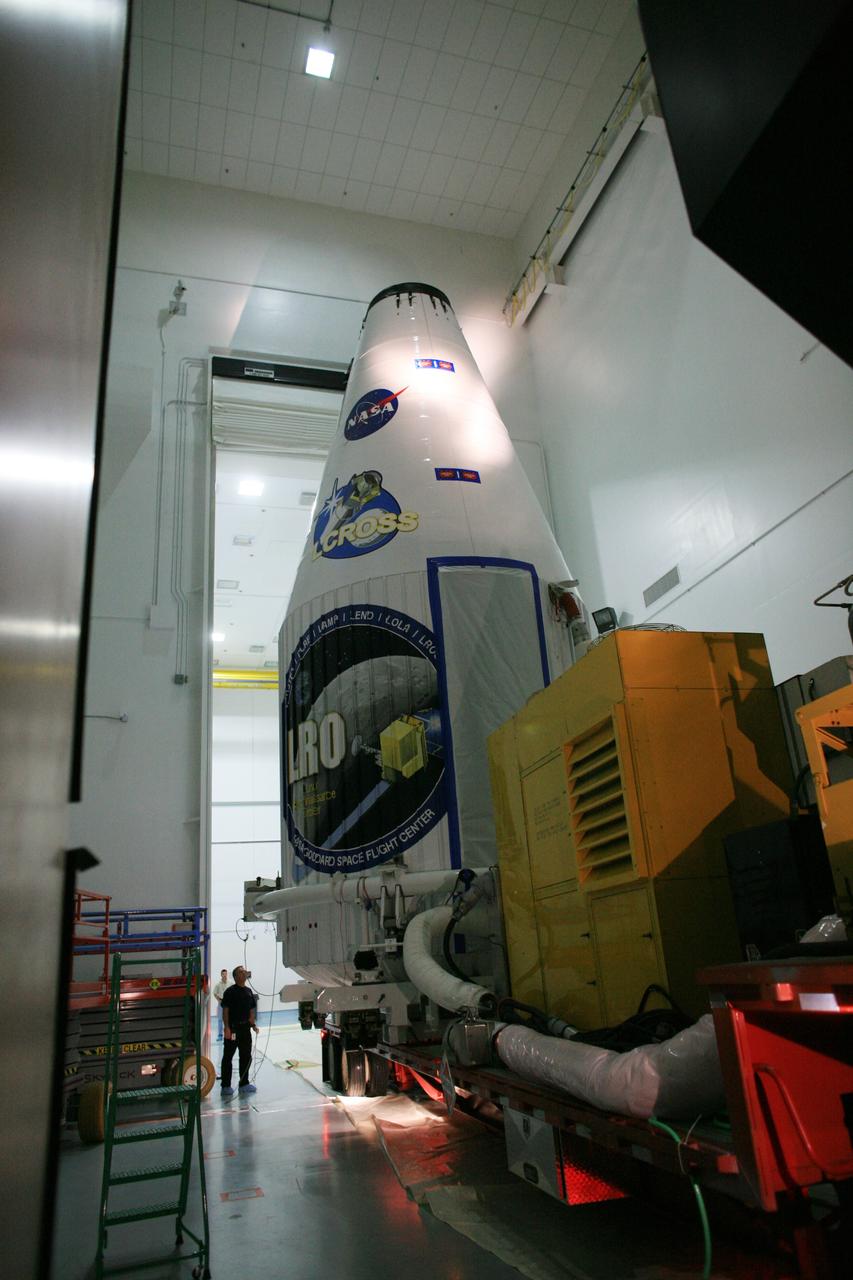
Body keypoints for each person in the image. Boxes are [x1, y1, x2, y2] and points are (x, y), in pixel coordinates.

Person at [220, 965, 257, 1097]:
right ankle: (225, 1086)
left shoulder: (248, 991)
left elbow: (252, 1009)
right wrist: (227, 1028)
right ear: (236, 976)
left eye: (244, 971)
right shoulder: (230, 992)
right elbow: (225, 1010)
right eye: (241, 972)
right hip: (233, 1029)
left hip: (245, 1029)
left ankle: (244, 1084)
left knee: (246, 1056)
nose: (244, 973)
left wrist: (253, 1024)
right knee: (228, 1056)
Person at [212, 968, 229, 1041]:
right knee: (220, 1019)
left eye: (226, 974)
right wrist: (218, 1000)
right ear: (221, 975)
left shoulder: (230, 983)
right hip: (221, 1003)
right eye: (223, 974)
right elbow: (214, 993)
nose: (225, 975)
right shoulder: (218, 984)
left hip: (228, 1003)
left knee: (229, 1019)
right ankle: (220, 1035)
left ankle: (228, 1034)